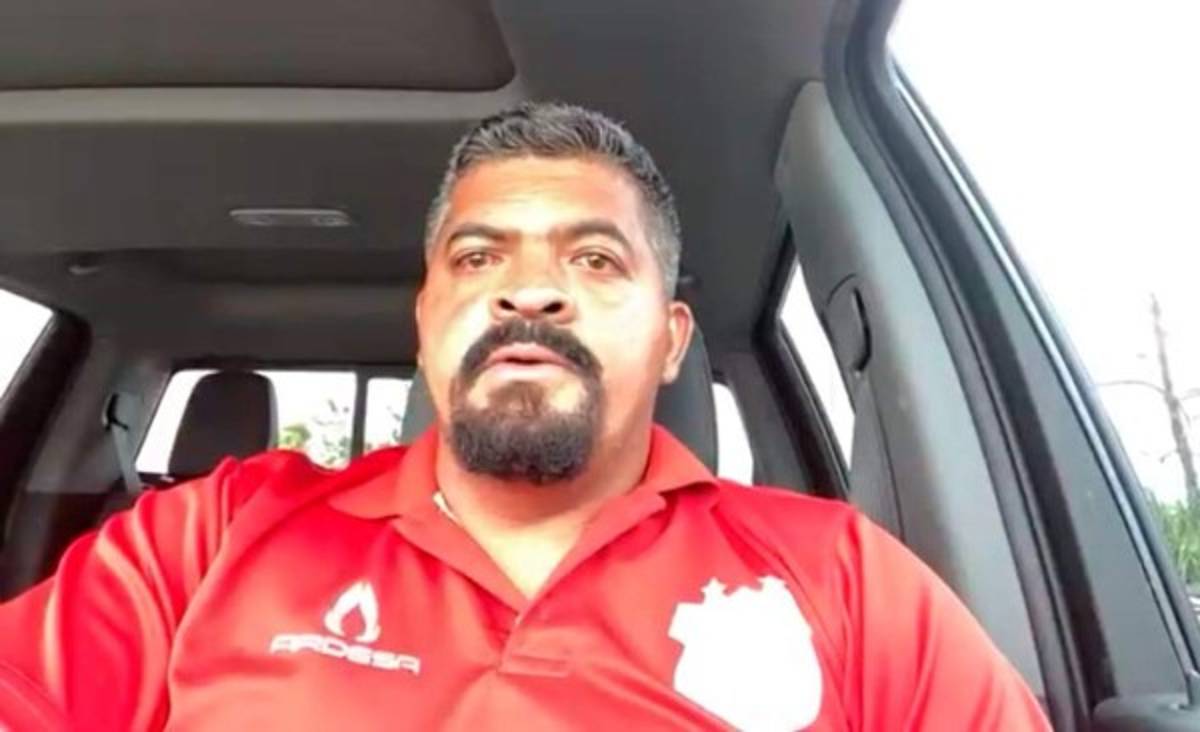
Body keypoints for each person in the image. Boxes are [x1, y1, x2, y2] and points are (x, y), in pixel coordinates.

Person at [0, 102, 1050, 731]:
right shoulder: (212, 537)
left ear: (670, 338)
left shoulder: (843, 580)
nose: (531, 292)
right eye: (478, 257)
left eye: (593, 259)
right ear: (427, 322)